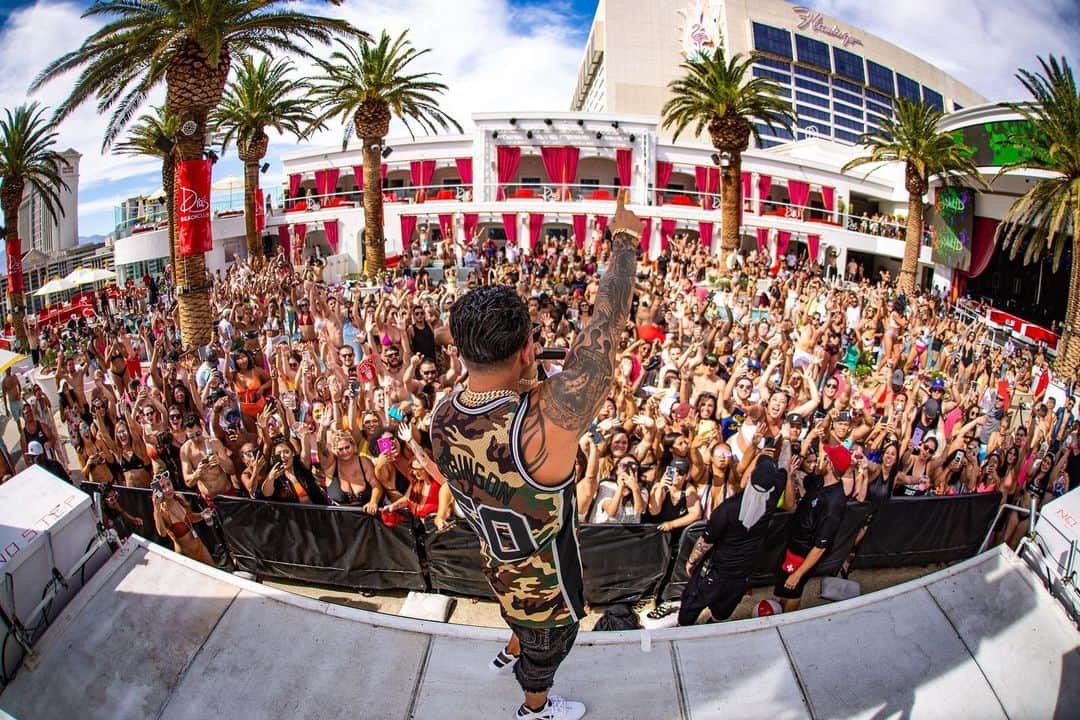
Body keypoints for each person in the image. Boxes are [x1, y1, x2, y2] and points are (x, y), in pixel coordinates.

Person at [430, 196, 642, 720]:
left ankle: (512, 646)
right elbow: (606, 327)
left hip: (495, 566)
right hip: (547, 591)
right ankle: (534, 707)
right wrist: (626, 243)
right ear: (527, 349)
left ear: (461, 351)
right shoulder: (545, 423)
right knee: (546, 656)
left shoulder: (442, 415)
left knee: (516, 621)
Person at [678, 456, 785, 625]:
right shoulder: (772, 498)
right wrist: (785, 440)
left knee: (692, 605)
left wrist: (692, 561)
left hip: (716, 571)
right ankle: (713, 625)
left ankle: (684, 629)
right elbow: (784, 465)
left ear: (750, 478)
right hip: (743, 572)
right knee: (723, 610)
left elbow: (706, 541)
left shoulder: (728, 509)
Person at [774, 444, 851, 612]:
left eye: (826, 457)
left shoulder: (835, 503)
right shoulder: (818, 481)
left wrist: (799, 573)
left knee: (793, 590)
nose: (821, 460)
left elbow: (820, 546)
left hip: (803, 555)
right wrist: (791, 474)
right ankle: (780, 612)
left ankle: (788, 622)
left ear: (830, 464)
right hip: (792, 546)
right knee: (785, 589)